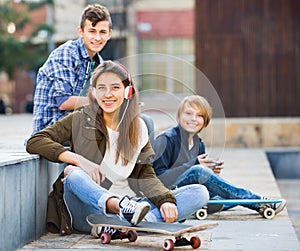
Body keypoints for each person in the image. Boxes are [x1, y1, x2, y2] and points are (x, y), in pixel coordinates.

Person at [26, 61, 209, 236]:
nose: (108, 94)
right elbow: (36, 140)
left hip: (133, 203)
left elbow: (145, 175)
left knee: (199, 193)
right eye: (101, 88)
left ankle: (136, 222)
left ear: (127, 91)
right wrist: (78, 160)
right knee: (72, 173)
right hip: (89, 208)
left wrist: (165, 200)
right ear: (93, 93)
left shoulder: (139, 127)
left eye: (115, 87)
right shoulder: (81, 119)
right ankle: (125, 213)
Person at [152, 95, 286, 216]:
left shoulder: (199, 144)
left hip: (193, 191)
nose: (193, 119)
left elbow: (197, 177)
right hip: (167, 194)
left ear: (205, 121)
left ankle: (208, 204)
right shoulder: (166, 140)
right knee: (200, 172)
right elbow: (159, 178)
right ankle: (258, 202)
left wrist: (211, 173)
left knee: (225, 193)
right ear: (179, 116)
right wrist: (196, 165)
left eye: (199, 115)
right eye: (188, 113)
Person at [30, 4, 112, 136]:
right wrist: (104, 102)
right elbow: (64, 101)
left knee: (142, 122)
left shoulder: (100, 63)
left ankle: (146, 156)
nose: (97, 38)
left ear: (109, 34)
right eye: (92, 31)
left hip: (79, 124)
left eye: (102, 32)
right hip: (51, 130)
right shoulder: (66, 54)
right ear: (81, 32)